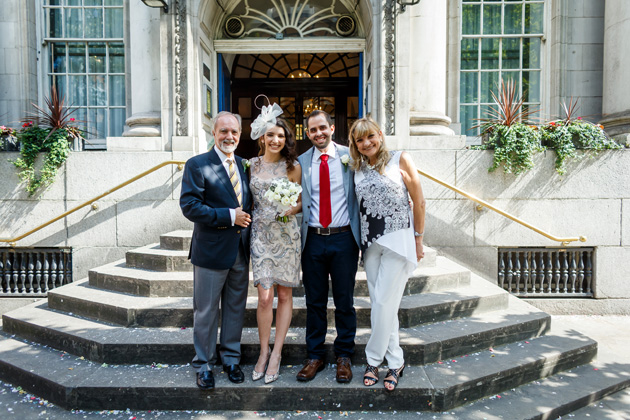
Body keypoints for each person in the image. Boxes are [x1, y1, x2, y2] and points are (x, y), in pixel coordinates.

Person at [348, 117, 426, 392]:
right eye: (360, 140)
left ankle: (372, 361)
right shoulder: (356, 168)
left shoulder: (400, 159)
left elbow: (419, 201)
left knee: (382, 304)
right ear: (355, 145)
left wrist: (418, 239)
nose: (366, 143)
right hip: (370, 245)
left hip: (398, 239)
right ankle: (396, 362)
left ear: (380, 135)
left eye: (370, 136)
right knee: (384, 304)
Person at [179, 111, 252, 390]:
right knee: (206, 311)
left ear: (239, 134)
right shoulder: (197, 164)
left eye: (233, 132)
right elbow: (190, 206)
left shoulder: (245, 166)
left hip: (240, 251)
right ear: (214, 133)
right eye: (223, 131)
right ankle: (204, 364)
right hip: (210, 252)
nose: (229, 137)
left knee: (235, 308)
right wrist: (228, 216)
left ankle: (231, 359)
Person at [296, 110, 361, 383]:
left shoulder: (351, 156)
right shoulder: (301, 162)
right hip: (312, 238)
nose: (318, 133)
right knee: (315, 302)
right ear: (307, 133)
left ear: (332, 128)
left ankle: (344, 356)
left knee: (344, 301)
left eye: (322, 127)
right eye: (312, 130)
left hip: (344, 238)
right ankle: (315, 356)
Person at [248, 103, 302, 384]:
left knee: (283, 295)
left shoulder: (292, 167)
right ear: (262, 138)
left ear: (286, 139)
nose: (275, 140)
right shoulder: (252, 165)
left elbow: (300, 202)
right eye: (271, 135)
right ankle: (263, 351)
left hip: (286, 235)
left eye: (280, 136)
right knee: (264, 296)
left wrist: (289, 209)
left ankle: (277, 353)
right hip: (260, 235)